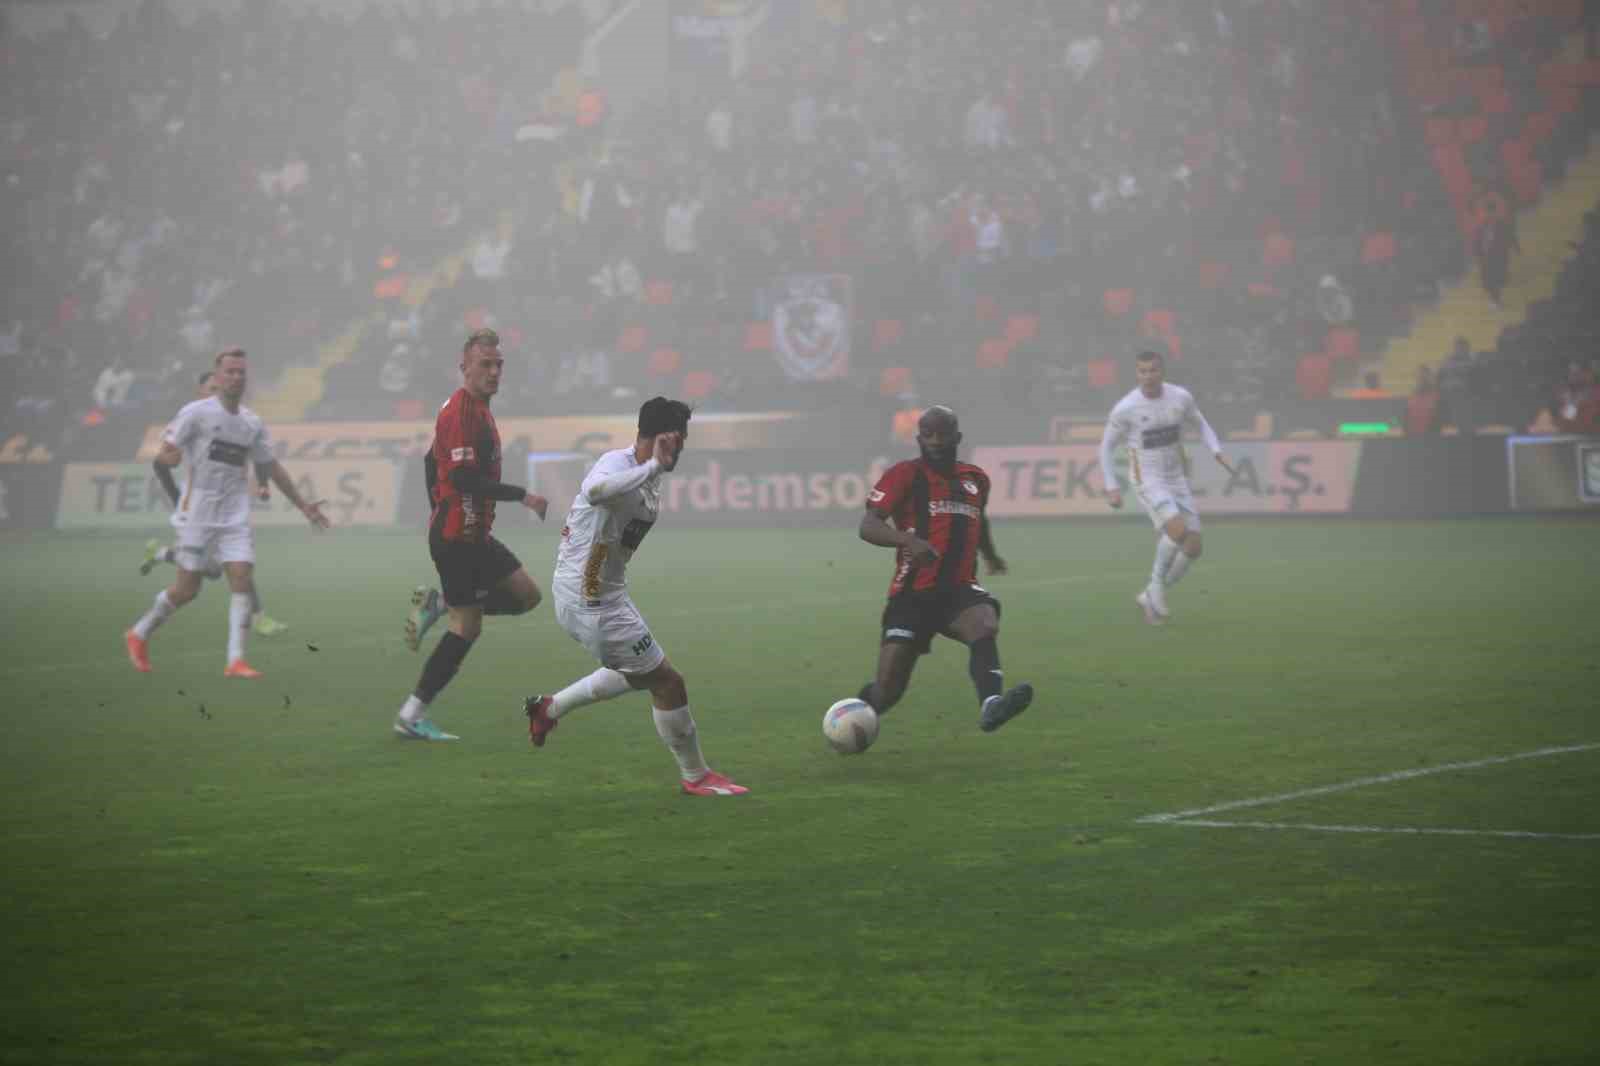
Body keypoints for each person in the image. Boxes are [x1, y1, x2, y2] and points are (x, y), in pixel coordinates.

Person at [522, 397, 749, 797]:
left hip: (602, 593)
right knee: (667, 682)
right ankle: (695, 776)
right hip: (590, 600)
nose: (682, 448)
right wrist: (650, 467)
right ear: (663, 436)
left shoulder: (647, 478)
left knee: (636, 671)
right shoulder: (620, 464)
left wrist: (652, 471)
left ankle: (548, 708)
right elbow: (594, 491)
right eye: (679, 439)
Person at [123, 349, 330, 676]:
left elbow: (269, 466)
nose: (236, 377)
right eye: (230, 371)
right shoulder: (196, 413)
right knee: (188, 589)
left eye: (241, 372)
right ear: (217, 377)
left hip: (234, 514)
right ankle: (139, 632)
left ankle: (235, 660)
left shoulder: (251, 423)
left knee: (241, 575)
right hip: (198, 513)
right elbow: (166, 449)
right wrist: (168, 456)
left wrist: (303, 505)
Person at [393, 328, 549, 741]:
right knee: (467, 628)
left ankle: (441, 602)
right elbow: (461, 476)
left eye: (498, 365)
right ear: (464, 367)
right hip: (458, 540)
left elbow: (432, 461)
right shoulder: (462, 412)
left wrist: (438, 504)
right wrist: (522, 496)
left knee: (527, 596)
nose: (494, 371)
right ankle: (411, 715)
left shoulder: (476, 409)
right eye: (485, 364)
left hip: (474, 534)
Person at [852, 404, 1033, 734]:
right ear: (919, 438)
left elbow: (980, 520)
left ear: (957, 437)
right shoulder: (904, 474)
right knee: (887, 690)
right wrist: (907, 540)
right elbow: (868, 526)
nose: (935, 441)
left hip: (958, 589)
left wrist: (990, 555)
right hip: (912, 594)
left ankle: (991, 704)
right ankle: (852, 720)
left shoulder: (976, 479)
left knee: (983, 623)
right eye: (928, 435)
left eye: (942, 434)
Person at [139, 369, 287, 636]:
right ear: (201, 393)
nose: (217, 393)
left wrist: (259, 485)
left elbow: (247, 463)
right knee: (220, 570)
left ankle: (161, 554)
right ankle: (258, 619)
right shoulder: (194, 420)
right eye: (211, 389)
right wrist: (178, 500)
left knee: (221, 569)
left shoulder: (238, 423)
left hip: (222, 507)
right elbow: (161, 464)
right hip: (194, 508)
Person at [1099, 350, 1232, 625]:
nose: (1148, 376)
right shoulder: (1126, 408)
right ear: (1137, 374)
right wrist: (1111, 485)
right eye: (1143, 371)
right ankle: (1156, 586)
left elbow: (1202, 424)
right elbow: (1106, 448)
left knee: (1193, 547)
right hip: (1147, 478)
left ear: (1162, 371)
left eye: (1153, 370)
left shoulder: (1180, 397)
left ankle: (1151, 594)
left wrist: (1216, 450)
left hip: (1176, 476)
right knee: (1178, 530)